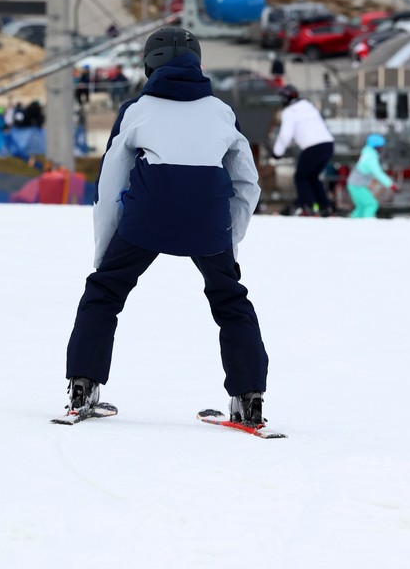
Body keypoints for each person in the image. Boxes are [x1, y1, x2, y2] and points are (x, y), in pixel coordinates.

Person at [60, 26, 271, 426]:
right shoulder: (222, 112)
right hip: (208, 221)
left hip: (146, 218)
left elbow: (110, 184)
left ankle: (83, 388)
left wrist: (105, 251)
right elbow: (247, 182)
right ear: (199, 63)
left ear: (147, 65)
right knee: (231, 301)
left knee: (104, 293)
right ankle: (249, 399)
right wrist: (229, 238)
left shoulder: (136, 111)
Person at [273, 85, 336, 216]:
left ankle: (307, 207)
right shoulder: (308, 106)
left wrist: (277, 153)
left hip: (314, 147)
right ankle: (325, 206)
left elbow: (285, 135)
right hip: (328, 145)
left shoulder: (290, 112)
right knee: (312, 177)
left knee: (300, 177)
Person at [347, 134, 395, 218]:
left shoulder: (367, 153)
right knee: (371, 204)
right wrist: (391, 185)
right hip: (357, 185)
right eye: (381, 147)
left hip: (354, 184)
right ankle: (367, 226)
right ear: (376, 147)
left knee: (361, 207)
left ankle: (351, 225)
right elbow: (378, 173)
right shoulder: (371, 157)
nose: (382, 149)